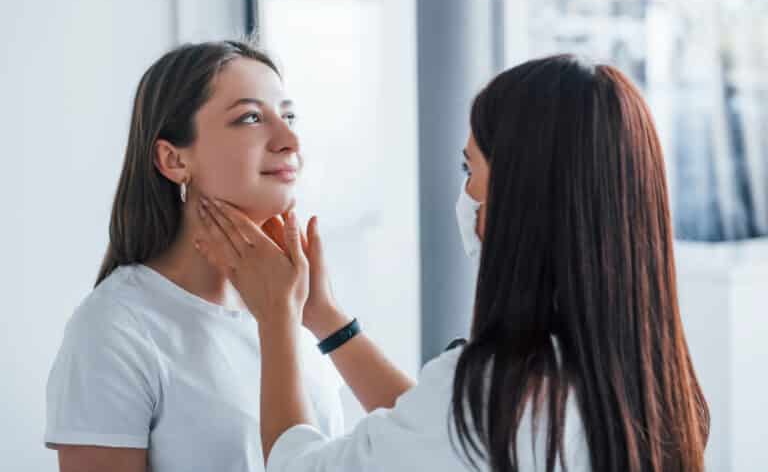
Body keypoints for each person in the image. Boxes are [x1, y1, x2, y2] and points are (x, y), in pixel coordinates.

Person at [195, 55, 710, 472]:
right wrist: (324, 318)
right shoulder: (650, 379)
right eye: (249, 117)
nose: (465, 191)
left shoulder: (496, 397)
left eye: (471, 167)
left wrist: (277, 319)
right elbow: (443, 440)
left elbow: (304, 467)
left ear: (519, 198)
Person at [44, 40, 352, 472]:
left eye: (288, 116)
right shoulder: (116, 328)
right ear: (173, 159)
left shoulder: (298, 309)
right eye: (250, 117)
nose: (290, 140)